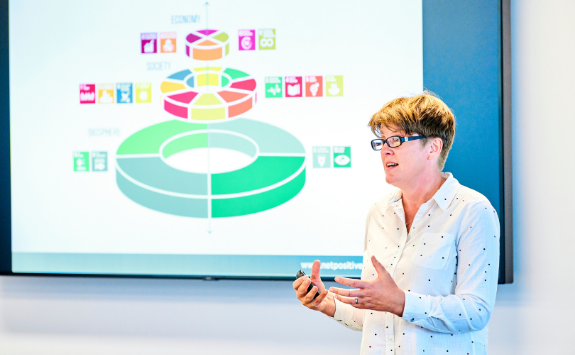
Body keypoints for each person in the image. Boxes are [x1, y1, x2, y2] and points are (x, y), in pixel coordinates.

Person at [293, 92, 500, 355]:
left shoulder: (472, 210)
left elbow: (476, 311)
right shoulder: (379, 212)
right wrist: (326, 304)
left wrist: (401, 302)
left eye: (397, 140)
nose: (386, 149)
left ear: (433, 147)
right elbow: (376, 316)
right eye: (382, 141)